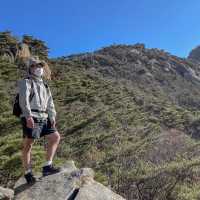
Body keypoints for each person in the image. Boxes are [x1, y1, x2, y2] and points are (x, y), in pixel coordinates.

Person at [18, 56, 61, 184]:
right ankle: (28, 173)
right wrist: (28, 116)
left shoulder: (45, 85)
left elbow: (50, 103)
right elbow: (23, 101)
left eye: (40, 66)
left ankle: (47, 166)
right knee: (28, 144)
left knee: (55, 137)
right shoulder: (26, 82)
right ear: (30, 68)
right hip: (32, 116)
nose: (39, 69)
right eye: (36, 66)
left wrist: (52, 116)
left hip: (44, 117)